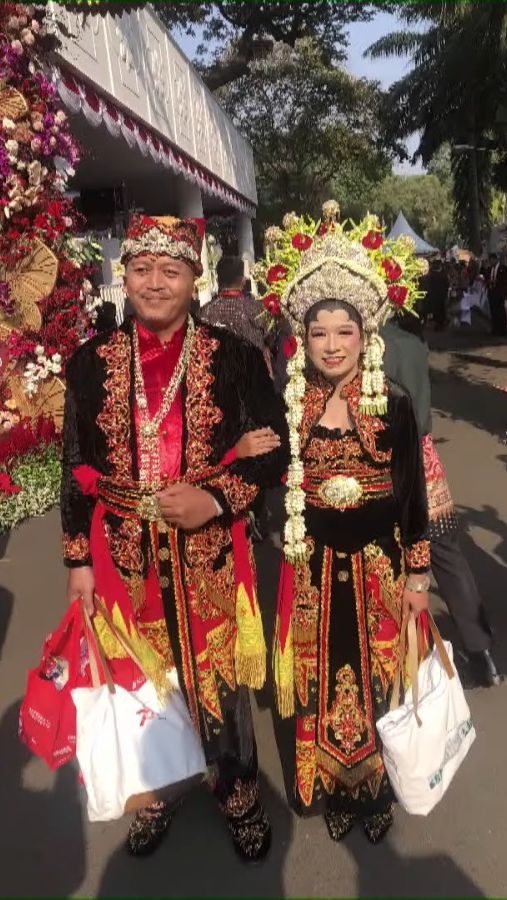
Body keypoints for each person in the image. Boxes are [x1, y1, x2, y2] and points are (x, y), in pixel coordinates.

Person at [61, 214, 287, 861]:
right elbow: (75, 468)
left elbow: (275, 454)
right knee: (142, 680)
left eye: (170, 270)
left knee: (216, 682)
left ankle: (236, 790)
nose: (154, 283)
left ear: (195, 279)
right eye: (141, 269)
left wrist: (215, 497)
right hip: (122, 558)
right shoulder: (90, 361)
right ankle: (157, 787)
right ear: (122, 276)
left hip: (208, 553)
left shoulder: (235, 360)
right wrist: (76, 557)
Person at [256, 201, 430, 844]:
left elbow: (411, 500)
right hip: (310, 573)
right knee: (317, 681)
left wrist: (417, 578)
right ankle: (329, 780)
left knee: (381, 679)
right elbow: (267, 475)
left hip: (379, 569)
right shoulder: (289, 407)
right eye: (319, 332)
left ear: (367, 336)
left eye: (344, 332)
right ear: (304, 338)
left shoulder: (396, 408)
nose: (331, 345)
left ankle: (373, 784)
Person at [382, 316, 502, 687]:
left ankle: (405, 665)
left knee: (392, 559)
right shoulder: (413, 343)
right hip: (426, 455)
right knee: (448, 556)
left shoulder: (373, 346)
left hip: (394, 461)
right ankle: (482, 655)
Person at [199, 255, 273, 374]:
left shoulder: (204, 312)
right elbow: (271, 337)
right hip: (253, 377)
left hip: (218, 378)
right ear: (243, 281)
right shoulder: (256, 308)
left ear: (218, 281)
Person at [422, 258, 449, 328]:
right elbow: (447, 284)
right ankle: (440, 323)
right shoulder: (442, 274)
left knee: (438, 310)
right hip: (439, 296)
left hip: (436, 296)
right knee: (439, 310)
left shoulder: (431, 275)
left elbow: (428, 285)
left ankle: (439, 323)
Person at [486, 252, 507, 336]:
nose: (490, 262)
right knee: (493, 311)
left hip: (499, 293)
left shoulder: (503, 268)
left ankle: (502, 329)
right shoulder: (490, 269)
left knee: (500, 312)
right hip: (492, 293)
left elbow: (504, 281)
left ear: (495, 259)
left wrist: (504, 293)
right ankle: (495, 328)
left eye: (491, 260)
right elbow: (487, 278)